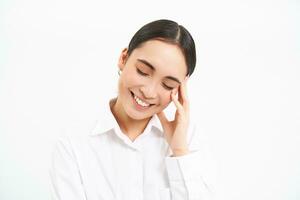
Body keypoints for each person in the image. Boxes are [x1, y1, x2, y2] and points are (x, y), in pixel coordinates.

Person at [49, 19, 215, 200]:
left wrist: (180, 152)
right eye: (143, 71)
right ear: (123, 58)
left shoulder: (189, 141)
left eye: (167, 85)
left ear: (180, 88)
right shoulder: (74, 144)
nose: (149, 92)